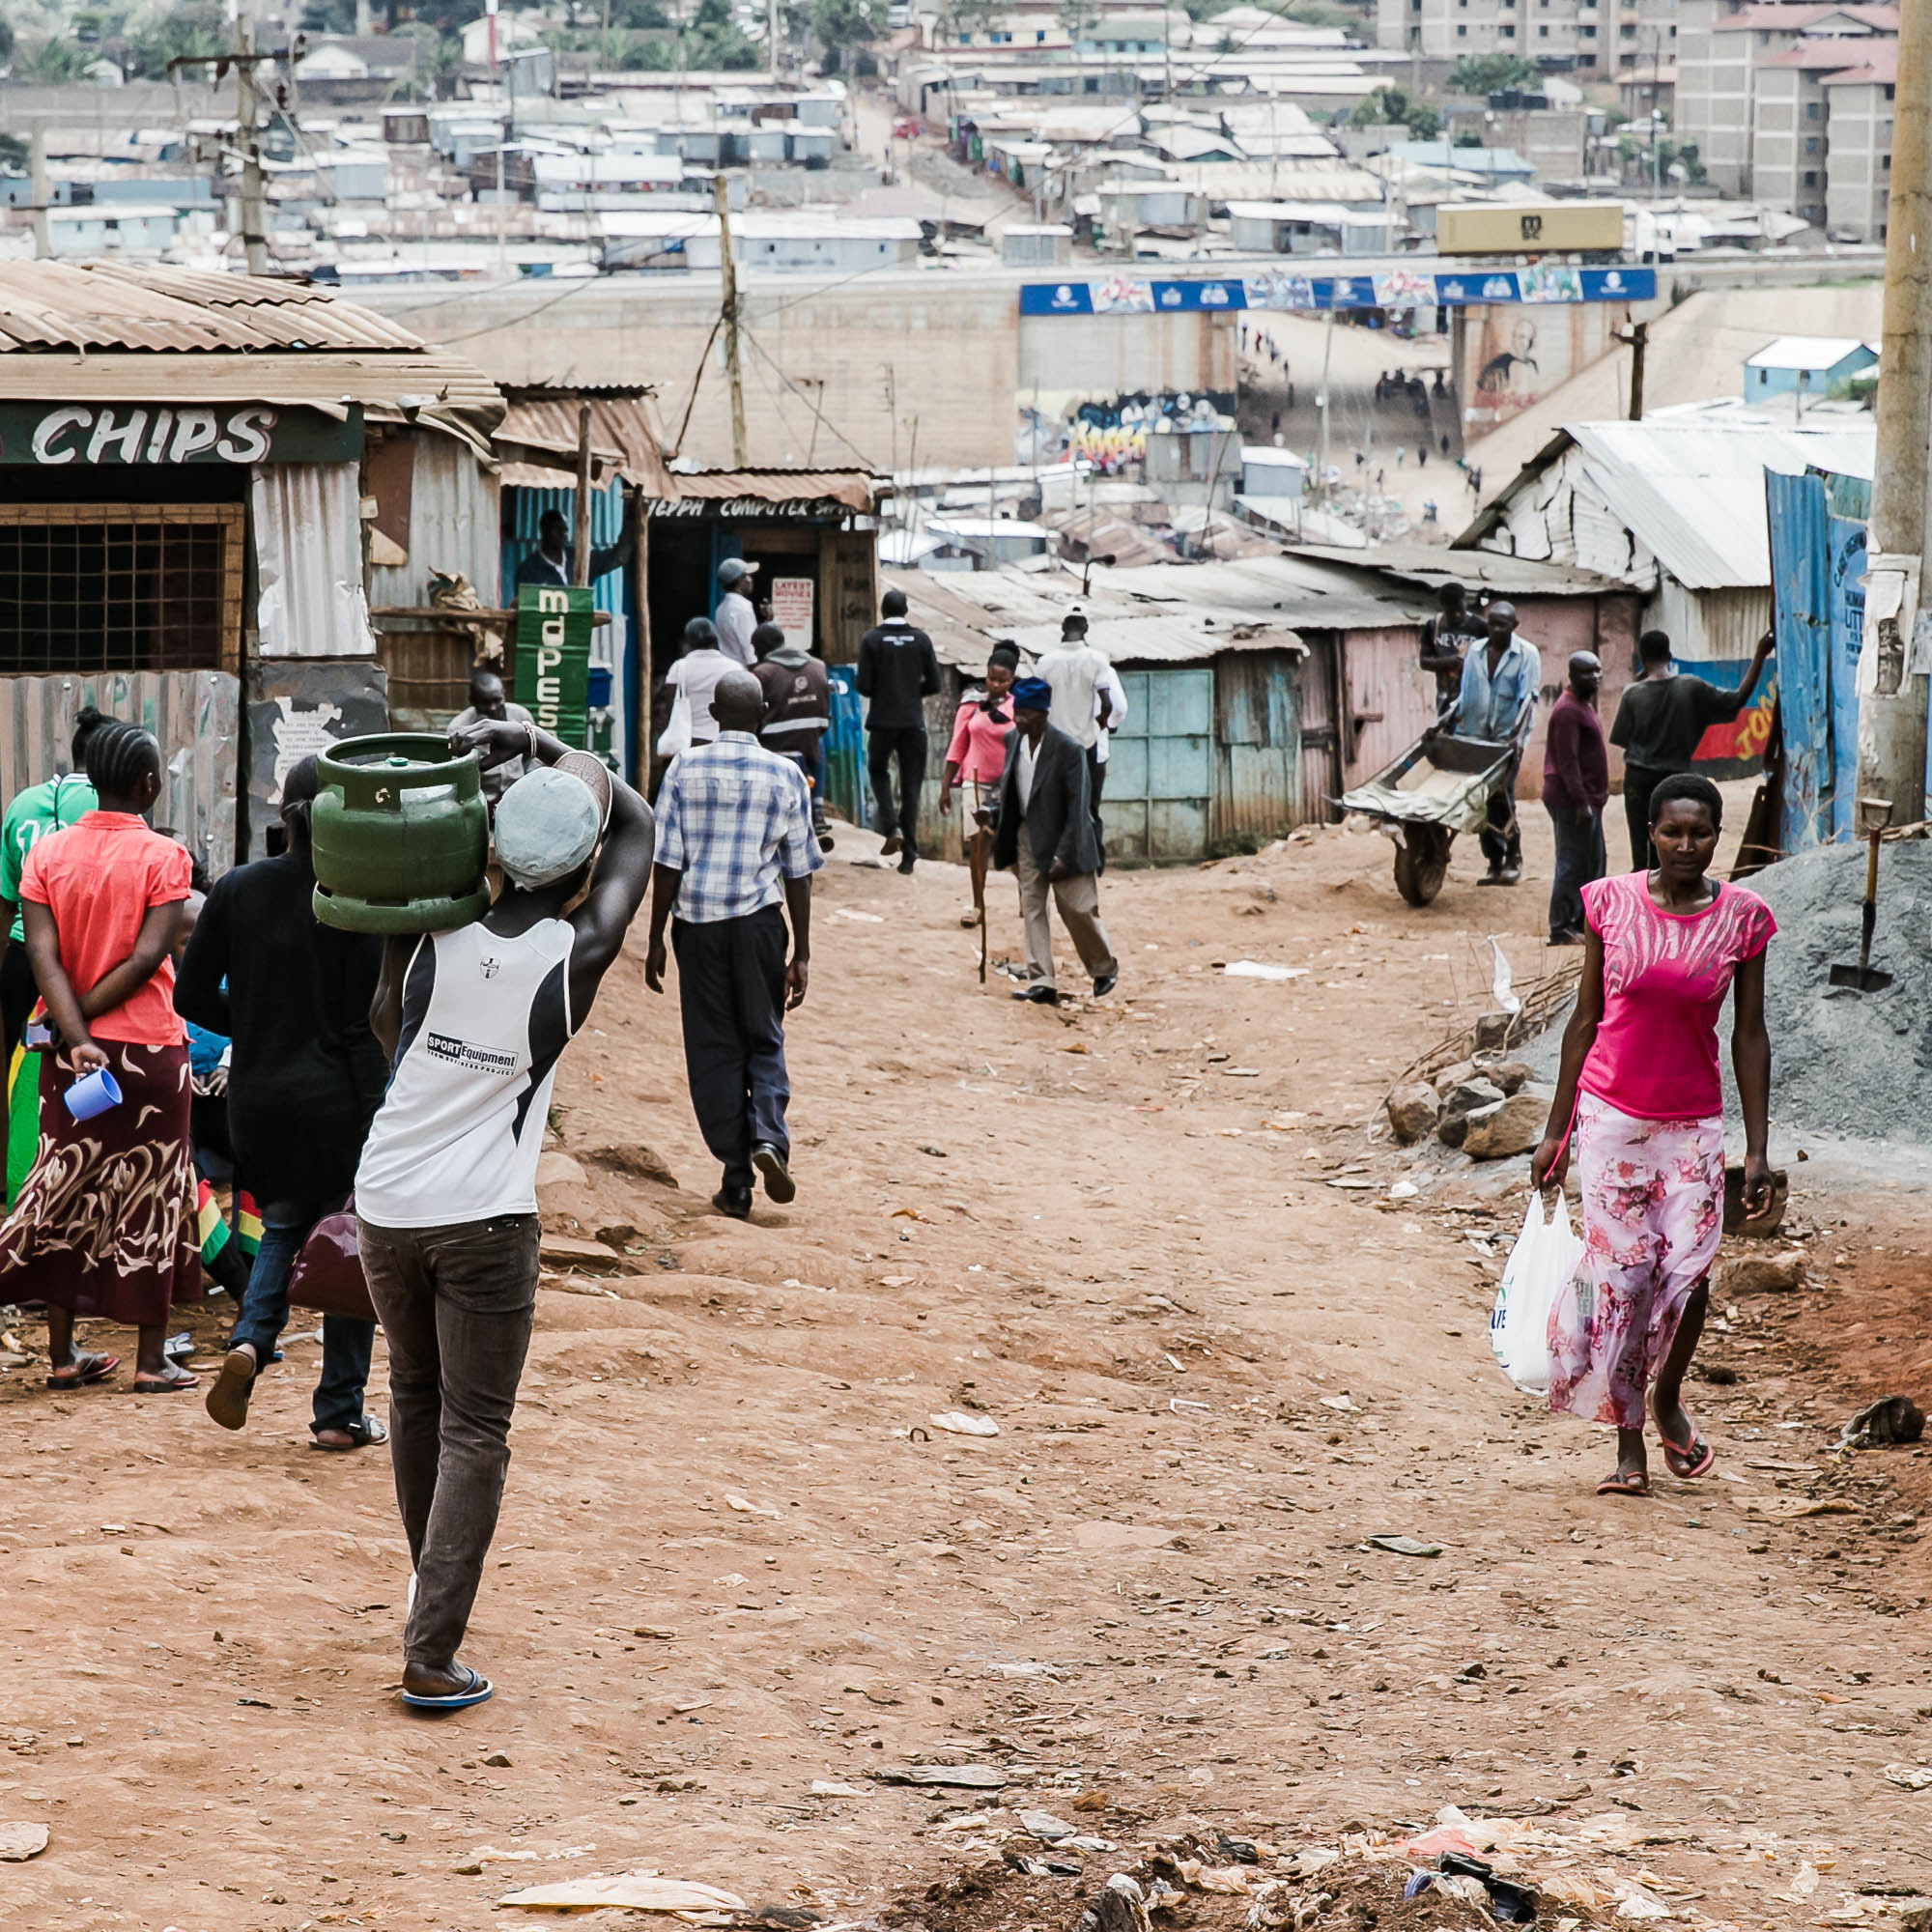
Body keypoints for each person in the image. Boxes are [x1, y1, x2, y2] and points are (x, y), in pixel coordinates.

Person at [356, 726, 655, 1712]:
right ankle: (430, 1651)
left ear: (489, 849)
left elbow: (384, 1021)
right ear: (574, 871)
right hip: (484, 1217)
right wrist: (542, 740)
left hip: (386, 1199)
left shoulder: (427, 936)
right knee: (476, 1428)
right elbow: (637, 823)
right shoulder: (572, 958)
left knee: (414, 1396)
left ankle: (427, 1589)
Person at [1530, 774, 1775, 1498]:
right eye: (1673, 832)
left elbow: (1751, 1035)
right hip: (1612, 1122)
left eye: (1700, 833)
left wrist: (1756, 1148)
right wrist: (1556, 1130)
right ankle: (1630, 1440)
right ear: (1650, 833)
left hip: (1692, 1125)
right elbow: (1584, 1020)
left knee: (1690, 1275)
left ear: (1717, 836)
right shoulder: (1609, 905)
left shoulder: (1744, 918)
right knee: (1628, 1280)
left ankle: (1667, 1394)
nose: (1687, 846)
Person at [178, 755, 391, 1450]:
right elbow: (368, 1023)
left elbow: (187, 995)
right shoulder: (358, 900)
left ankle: (251, 1340)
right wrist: (379, 1111)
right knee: (349, 1240)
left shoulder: (237, 890)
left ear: (283, 818)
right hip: (337, 1100)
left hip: (259, 1102)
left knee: (283, 1225)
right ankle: (338, 1412)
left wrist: (259, 1022)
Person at [0, 723, 199, 1392]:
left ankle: (62, 1354)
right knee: (154, 1195)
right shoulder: (165, 857)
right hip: (148, 1052)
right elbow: (148, 959)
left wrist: (73, 1031)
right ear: (147, 786)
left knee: (63, 1190)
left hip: (64, 1051)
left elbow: (41, 955)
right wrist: (91, 1024)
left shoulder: (48, 855)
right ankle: (149, 1361)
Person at [644, 669, 820, 1220]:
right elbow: (799, 872)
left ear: (714, 716)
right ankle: (769, 1136)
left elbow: (666, 861)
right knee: (763, 1038)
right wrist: (803, 953)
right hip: (760, 926)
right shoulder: (787, 774)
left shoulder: (684, 768)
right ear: (764, 712)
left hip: (698, 929)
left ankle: (737, 1178)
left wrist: (654, 938)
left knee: (714, 1048)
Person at [0, 707, 107, 1205]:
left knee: (17, 1067)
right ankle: (75, 1177)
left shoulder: (23, 803)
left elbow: (6, 900)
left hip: (21, 958)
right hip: (82, 962)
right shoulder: (113, 802)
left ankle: (13, 1182)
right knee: (83, 1062)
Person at [993, 677, 1118, 1006]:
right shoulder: (1011, 741)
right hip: (1026, 835)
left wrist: (1064, 854)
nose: (1019, 720)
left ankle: (1104, 968)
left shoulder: (1068, 749)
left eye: (1026, 714)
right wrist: (990, 811)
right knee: (1033, 906)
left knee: (1077, 908)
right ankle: (1041, 981)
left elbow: (1079, 808)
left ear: (1043, 714)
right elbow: (1008, 789)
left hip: (1067, 836)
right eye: (1016, 712)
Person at [1610, 627, 1775, 870]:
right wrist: (1760, 655)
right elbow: (1737, 699)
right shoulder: (1690, 687)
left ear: (1642, 658)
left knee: (1641, 849)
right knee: (1675, 844)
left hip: (1638, 779)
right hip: (1674, 779)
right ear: (1669, 656)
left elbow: (1624, 739)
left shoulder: (1632, 693)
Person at [1449, 598, 1541, 887]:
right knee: (1479, 800)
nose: (1496, 629)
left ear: (1514, 626)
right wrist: (1446, 719)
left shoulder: (1527, 654)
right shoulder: (1475, 650)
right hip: (1474, 737)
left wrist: (1517, 741)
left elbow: (1528, 701)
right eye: (1492, 623)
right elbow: (1464, 694)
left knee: (1501, 798)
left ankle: (1513, 857)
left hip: (1506, 741)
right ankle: (1493, 861)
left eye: (1502, 625)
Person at [856, 588, 940, 875]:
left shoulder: (871, 639)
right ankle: (909, 854)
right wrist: (910, 691)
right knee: (911, 787)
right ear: (906, 611)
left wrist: (886, 690)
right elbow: (935, 683)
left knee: (878, 771)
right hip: (913, 723)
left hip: (882, 721)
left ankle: (892, 827)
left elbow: (863, 685)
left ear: (882, 610)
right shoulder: (921, 640)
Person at [1543, 651, 1609, 946]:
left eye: (1597, 672)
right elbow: (1567, 760)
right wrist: (1581, 801)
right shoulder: (1569, 710)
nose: (1594, 678)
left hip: (1586, 799)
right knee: (1571, 862)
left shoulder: (1581, 705)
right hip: (1572, 801)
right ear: (1572, 676)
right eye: (1587, 673)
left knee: (1590, 861)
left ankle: (1580, 921)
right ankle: (1561, 927)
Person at [1035, 611, 1114, 851]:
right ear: (1086, 629)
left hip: (1054, 743)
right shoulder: (1098, 659)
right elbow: (1107, 702)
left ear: (1062, 627)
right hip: (1085, 743)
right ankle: (1085, 855)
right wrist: (1101, 721)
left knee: (1053, 802)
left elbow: (1038, 703)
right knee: (1084, 804)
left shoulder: (1045, 662)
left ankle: (1055, 851)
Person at [752, 620, 833, 848]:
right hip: (809, 743)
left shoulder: (761, 673)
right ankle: (818, 809)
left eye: (755, 647)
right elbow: (825, 718)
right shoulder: (818, 666)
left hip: (773, 744)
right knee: (819, 745)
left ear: (762, 647)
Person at [449, 669, 535, 805]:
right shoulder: (459, 729)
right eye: (485, 702)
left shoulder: (521, 717)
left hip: (519, 793)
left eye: (497, 700)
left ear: (504, 694)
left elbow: (532, 757)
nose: (493, 708)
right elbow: (456, 772)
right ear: (472, 701)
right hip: (480, 798)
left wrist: (531, 785)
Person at [658, 617, 740, 753]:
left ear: (688, 640)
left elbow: (670, 708)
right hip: (723, 742)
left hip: (688, 742)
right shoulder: (734, 668)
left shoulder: (679, 668)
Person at [512, 505, 634, 592]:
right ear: (544, 531)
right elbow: (524, 612)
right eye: (557, 529)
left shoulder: (580, 558)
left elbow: (619, 557)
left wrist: (631, 520)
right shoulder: (528, 571)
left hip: (579, 627)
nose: (563, 534)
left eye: (565, 530)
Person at [1416, 582, 1484, 720]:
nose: (1457, 615)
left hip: (1476, 696)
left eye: (1460, 610)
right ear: (1443, 607)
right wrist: (1446, 662)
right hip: (1445, 696)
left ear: (1465, 602)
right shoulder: (1433, 626)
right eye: (1451, 612)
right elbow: (1424, 662)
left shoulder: (1480, 627)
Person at [714, 557, 761, 667]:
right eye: (747, 575)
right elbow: (749, 648)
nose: (751, 579)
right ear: (740, 579)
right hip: (742, 671)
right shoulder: (742, 607)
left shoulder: (721, 608)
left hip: (726, 668)